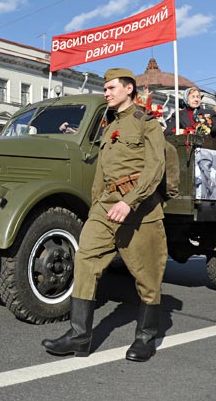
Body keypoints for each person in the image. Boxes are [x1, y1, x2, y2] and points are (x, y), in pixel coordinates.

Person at [41, 68, 167, 362]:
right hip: (105, 207)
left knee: (147, 276)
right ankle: (79, 337)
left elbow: (155, 168)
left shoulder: (147, 124)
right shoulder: (109, 127)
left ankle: (146, 338)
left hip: (140, 209)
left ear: (128, 89)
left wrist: (130, 201)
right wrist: (96, 206)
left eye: (111, 88)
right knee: (85, 261)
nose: (106, 93)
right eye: (105, 88)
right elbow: (101, 172)